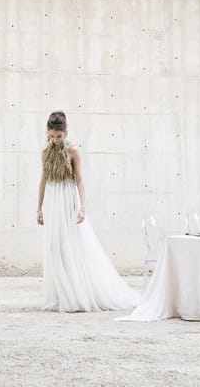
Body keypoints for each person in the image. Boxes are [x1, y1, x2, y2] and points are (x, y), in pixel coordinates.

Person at [36, 111, 139, 312]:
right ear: (48, 134)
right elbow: (43, 180)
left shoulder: (72, 152)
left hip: (68, 198)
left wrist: (82, 207)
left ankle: (75, 295)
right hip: (53, 200)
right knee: (52, 247)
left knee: (69, 245)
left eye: (59, 136)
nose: (56, 140)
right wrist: (38, 208)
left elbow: (80, 181)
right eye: (52, 136)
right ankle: (61, 294)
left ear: (65, 133)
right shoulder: (45, 152)